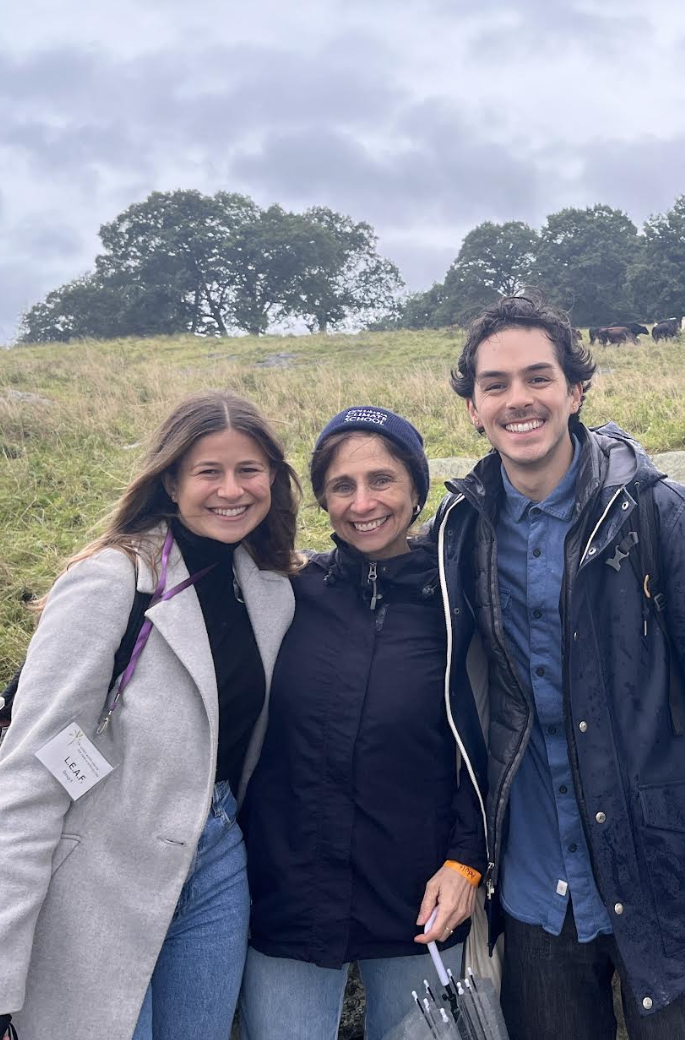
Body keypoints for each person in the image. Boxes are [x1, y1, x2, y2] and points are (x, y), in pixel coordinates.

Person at [431, 294, 685, 1039]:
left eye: (538, 378)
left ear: (576, 391)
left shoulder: (662, 514)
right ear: (473, 408)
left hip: (660, 870)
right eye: (495, 385)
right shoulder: (462, 530)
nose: (518, 399)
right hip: (533, 891)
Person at [0, 392, 301, 1040]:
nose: (231, 489)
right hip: (98, 867)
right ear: (170, 480)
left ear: (274, 478)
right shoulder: (113, 580)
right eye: (207, 472)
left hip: (218, 861)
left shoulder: (271, 588)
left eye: (249, 470)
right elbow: (27, 782)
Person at [239, 406, 488, 1040]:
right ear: (322, 499)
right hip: (287, 889)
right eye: (343, 486)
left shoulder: (460, 599)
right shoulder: (287, 590)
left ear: (416, 488)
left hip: (421, 893)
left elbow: (493, 737)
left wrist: (467, 862)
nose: (363, 502)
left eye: (382, 480)